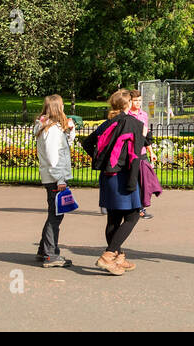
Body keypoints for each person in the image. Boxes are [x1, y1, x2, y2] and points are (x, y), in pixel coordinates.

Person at [83, 89, 146, 275]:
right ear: (127, 104)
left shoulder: (109, 122)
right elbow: (135, 156)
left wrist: (100, 160)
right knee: (133, 215)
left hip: (108, 175)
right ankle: (108, 255)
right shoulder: (133, 123)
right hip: (125, 175)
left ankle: (119, 256)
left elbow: (87, 142)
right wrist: (133, 181)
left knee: (113, 218)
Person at [34, 95, 76, 267]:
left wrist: (70, 130)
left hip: (51, 176)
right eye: (63, 106)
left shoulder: (49, 127)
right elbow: (53, 157)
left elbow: (65, 145)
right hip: (55, 177)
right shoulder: (51, 130)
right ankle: (50, 254)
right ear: (57, 108)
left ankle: (44, 251)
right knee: (55, 216)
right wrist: (60, 179)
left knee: (55, 213)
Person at [128, 90, 157, 219]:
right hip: (130, 153)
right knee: (132, 181)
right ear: (130, 101)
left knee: (144, 181)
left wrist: (151, 151)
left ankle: (141, 208)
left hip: (142, 153)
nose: (138, 103)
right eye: (135, 100)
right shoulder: (127, 115)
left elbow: (146, 136)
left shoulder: (143, 115)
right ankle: (132, 207)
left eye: (140, 100)